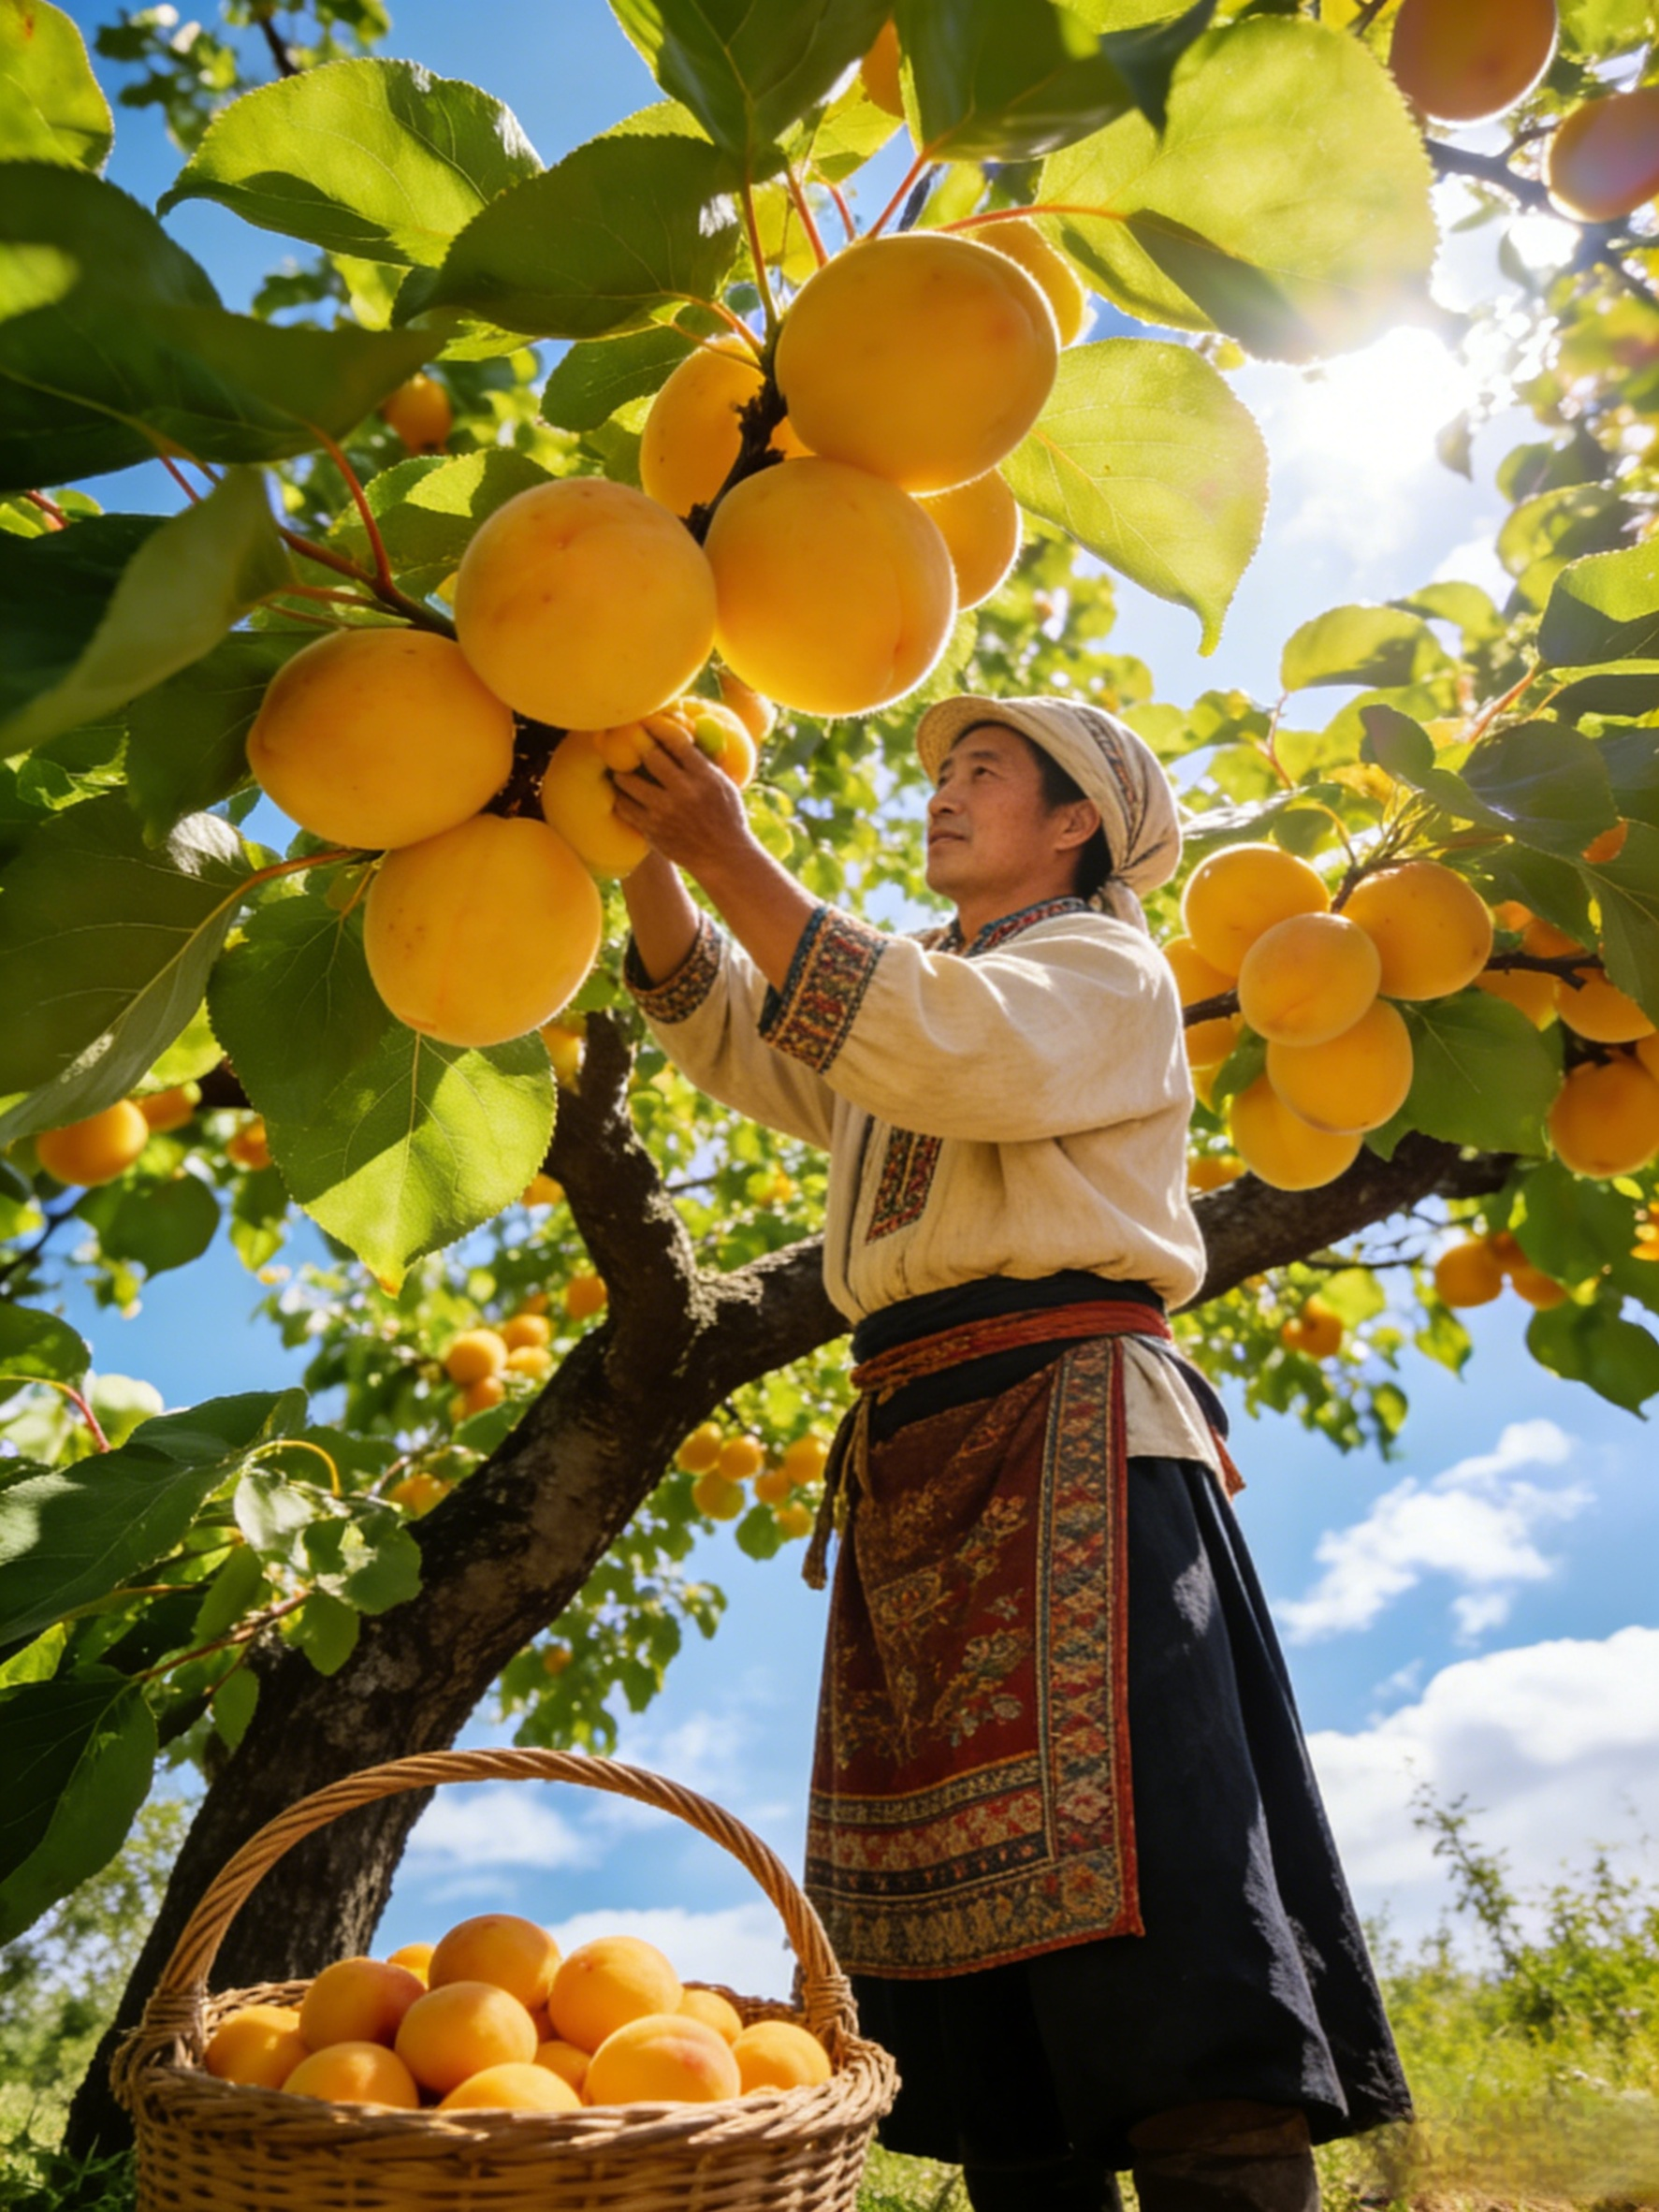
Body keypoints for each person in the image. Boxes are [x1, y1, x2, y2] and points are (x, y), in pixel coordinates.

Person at [613, 695, 1412, 2212]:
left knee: (1154, 1864)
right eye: (944, 774)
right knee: (960, 1929)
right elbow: (735, 1024)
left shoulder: (1103, 965)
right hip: (919, 1451)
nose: (945, 793)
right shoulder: (916, 997)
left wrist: (721, 842)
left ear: (1076, 827)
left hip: (1073, 1427)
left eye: (984, 772)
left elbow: (929, 1041)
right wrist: (638, 840)